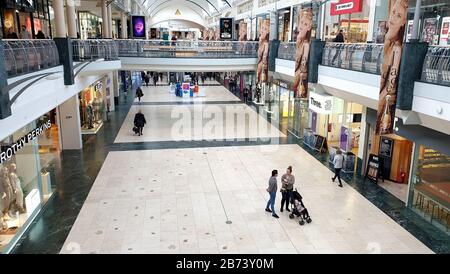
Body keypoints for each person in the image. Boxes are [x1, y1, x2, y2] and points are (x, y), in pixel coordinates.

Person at [293, 9, 313, 98]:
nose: (301, 26)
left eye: (305, 24)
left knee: (297, 89)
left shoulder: (306, 44)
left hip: (299, 72)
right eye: (301, 22)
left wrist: (301, 75)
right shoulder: (298, 41)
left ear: (309, 28)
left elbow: (304, 61)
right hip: (296, 69)